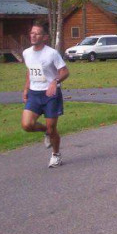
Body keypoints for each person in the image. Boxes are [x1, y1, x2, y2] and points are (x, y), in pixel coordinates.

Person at [21, 22, 69, 168]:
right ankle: (45, 132)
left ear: (45, 37)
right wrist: (26, 88)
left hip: (51, 94)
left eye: (37, 33)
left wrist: (55, 81)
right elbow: (30, 70)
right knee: (27, 125)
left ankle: (56, 155)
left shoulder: (52, 53)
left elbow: (65, 71)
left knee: (52, 127)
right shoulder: (27, 53)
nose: (33, 35)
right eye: (32, 33)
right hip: (34, 94)